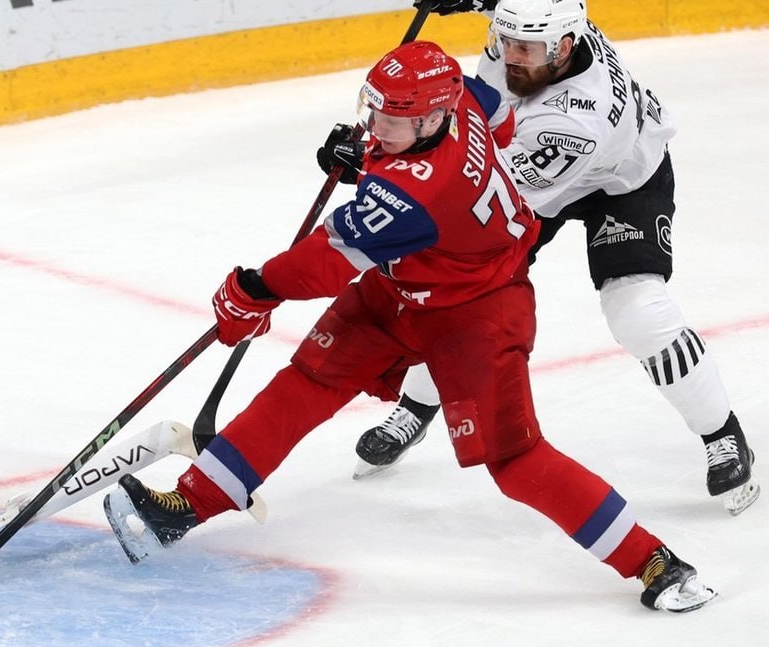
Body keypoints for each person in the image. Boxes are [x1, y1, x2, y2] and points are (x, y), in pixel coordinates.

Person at [104, 41, 715, 612]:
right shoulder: (461, 102)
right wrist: (365, 155)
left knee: (515, 459)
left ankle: (653, 561)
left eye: (395, 117)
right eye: (376, 109)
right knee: (308, 382)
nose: (378, 125)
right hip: (403, 285)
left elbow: (323, 263)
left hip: (477, 315)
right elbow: (497, 114)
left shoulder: (419, 195)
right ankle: (187, 504)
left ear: (431, 119)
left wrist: (251, 289)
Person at [347, 0, 757, 516]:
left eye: (526, 49)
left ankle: (723, 433)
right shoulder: (545, 29)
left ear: (563, 48)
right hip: (521, 164)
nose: (512, 57)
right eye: (505, 41)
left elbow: (476, 187)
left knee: (638, 313)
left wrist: (375, 164)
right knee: (457, 295)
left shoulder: (574, 122)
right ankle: (418, 405)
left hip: (618, 182)